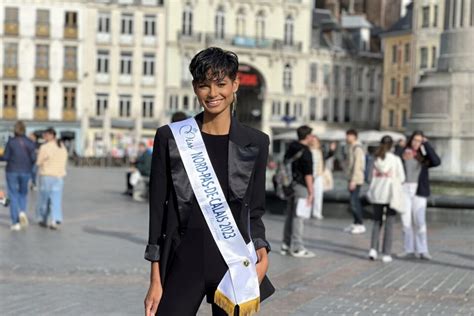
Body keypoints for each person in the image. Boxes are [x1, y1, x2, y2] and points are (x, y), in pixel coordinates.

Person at [144, 47, 273, 316]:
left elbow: (256, 210)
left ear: (235, 84)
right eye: (204, 86)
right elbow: (157, 212)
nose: (213, 94)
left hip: (234, 264)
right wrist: (155, 280)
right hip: (182, 260)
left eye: (221, 84)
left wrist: (262, 248)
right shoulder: (170, 138)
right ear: (194, 88)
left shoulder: (257, 142)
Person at [398, 131, 441, 260]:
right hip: (404, 189)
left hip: (419, 190)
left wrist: (426, 144)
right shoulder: (404, 153)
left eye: (419, 140)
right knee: (406, 220)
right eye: (414, 140)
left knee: (420, 220)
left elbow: (436, 161)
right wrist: (401, 150)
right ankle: (408, 249)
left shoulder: (423, 155)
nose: (416, 143)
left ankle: (423, 250)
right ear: (410, 140)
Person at [366, 136, 405, 263]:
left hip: (377, 194)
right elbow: (402, 178)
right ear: (392, 146)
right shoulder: (395, 159)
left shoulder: (375, 158)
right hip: (390, 194)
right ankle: (386, 253)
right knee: (389, 224)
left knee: (377, 222)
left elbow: (368, 177)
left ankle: (373, 249)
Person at [281, 125, 315, 258]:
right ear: (307, 137)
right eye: (311, 135)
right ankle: (297, 247)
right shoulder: (306, 151)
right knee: (298, 217)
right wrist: (311, 192)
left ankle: (285, 244)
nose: (313, 138)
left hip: (289, 185)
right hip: (301, 187)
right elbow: (308, 174)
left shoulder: (291, 147)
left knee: (290, 215)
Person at [2, 121, 36, 231]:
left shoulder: (11, 142)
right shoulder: (30, 142)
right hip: (26, 171)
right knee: (23, 193)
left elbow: (6, 157)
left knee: (12, 194)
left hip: (12, 170)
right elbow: (33, 158)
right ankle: (22, 211)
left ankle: (15, 222)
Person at [36, 127, 68, 229]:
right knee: (56, 199)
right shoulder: (62, 147)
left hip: (47, 176)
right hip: (59, 176)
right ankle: (55, 220)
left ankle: (43, 219)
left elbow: (38, 162)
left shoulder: (45, 147)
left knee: (44, 200)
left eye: (45, 135)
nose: (44, 137)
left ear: (50, 135)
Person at [344, 129, 366, 234]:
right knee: (353, 200)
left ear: (354, 136)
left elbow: (358, 165)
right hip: (352, 178)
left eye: (348, 136)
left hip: (356, 179)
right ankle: (356, 222)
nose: (347, 138)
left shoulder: (357, 148)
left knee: (354, 201)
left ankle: (360, 223)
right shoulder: (351, 147)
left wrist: (353, 180)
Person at [309, 136, 326, 219]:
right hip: (309, 175)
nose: (314, 142)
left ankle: (317, 212)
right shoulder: (308, 150)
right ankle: (307, 212)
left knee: (318, 194)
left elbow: (321, 163)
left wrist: (320, 173)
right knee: (309, 194)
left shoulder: (319, 151)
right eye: (313, 140)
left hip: (318, 176)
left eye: (316, 140)